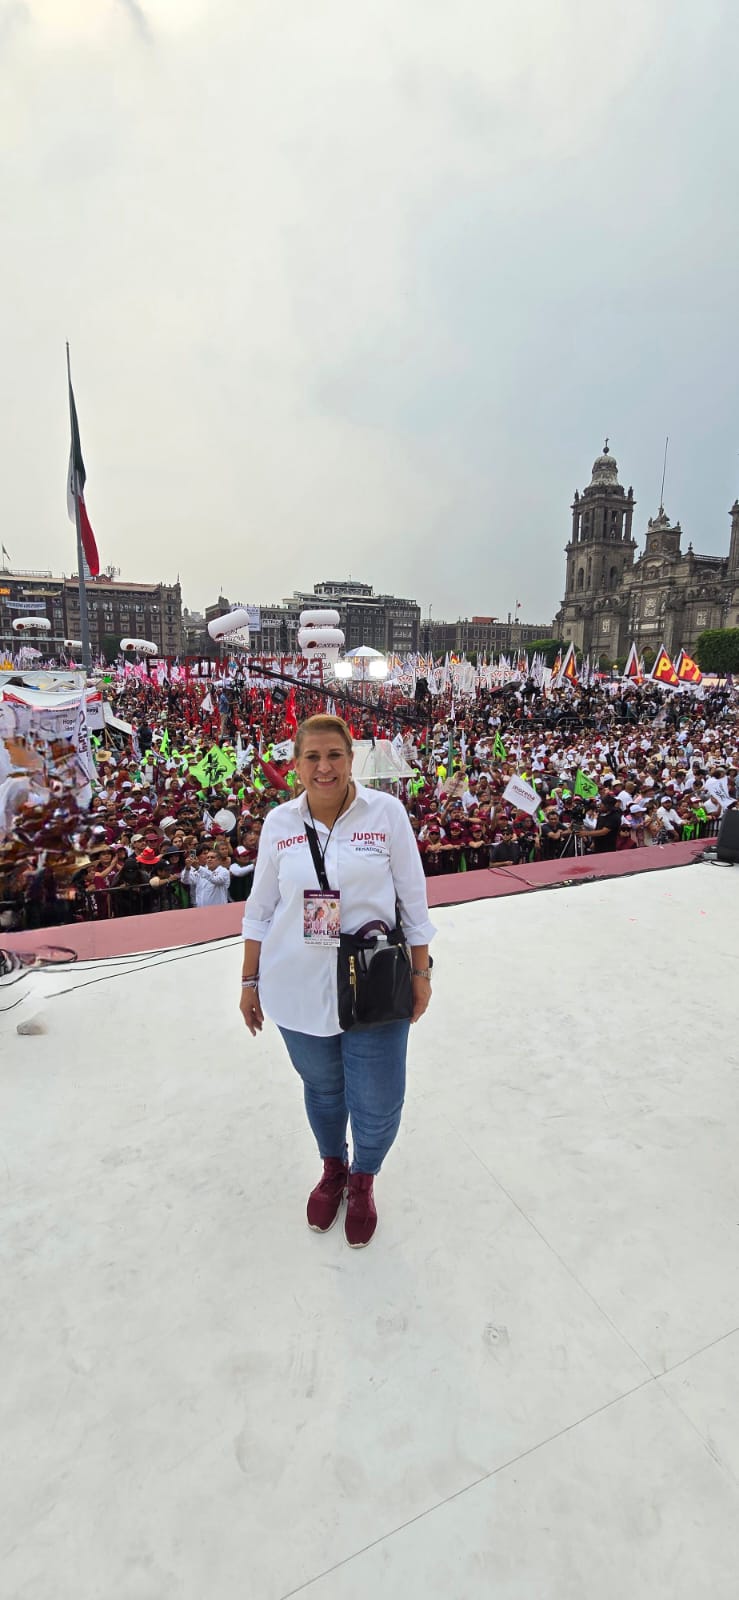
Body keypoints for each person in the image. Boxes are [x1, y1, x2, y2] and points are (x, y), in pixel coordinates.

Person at [239, 714, 435, 1249]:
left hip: (376, 983)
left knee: (378, 1100)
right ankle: (334, 1169)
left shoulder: (386, 814)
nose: (324, 767)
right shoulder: (280, 824)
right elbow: (260, 909)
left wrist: (422, 971)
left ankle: (364, 1177)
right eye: (312, 757)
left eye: (335, 755)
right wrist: (249, 981)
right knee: (323, 1091)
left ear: (352, 758)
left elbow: (412, 902)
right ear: (296, 765)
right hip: (297, 985)